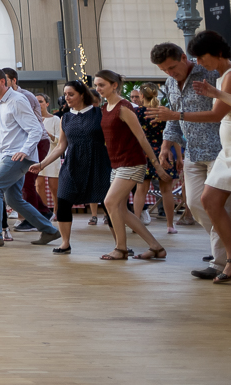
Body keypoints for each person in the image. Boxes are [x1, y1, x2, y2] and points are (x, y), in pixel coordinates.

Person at [146, 41, 230, 277]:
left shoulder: (212, 73)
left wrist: (176, 115)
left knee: (223, 207)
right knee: (194, 204)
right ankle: (229, 250)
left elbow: (222, 112)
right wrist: (165, 146)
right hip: (192, 150)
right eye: (164, 70)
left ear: (184, 57)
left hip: (222, 149)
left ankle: (222, 262)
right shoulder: (171, 82)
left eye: (172, 67)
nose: (170, 73)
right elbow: (171, 118)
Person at [0, 68, 59, 247]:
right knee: (13, 199)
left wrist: (24, 151)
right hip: (9, 155)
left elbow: (35, 129)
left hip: (18, 156)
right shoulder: (2, 102)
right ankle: (49, 230)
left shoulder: (17, 100)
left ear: (2, 82)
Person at [183, 30, 231, 287]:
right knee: (208, 200)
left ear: (217, 52)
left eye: (201, 56)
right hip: (229, 150)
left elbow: (218, 114)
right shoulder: (223, 76)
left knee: (210, 200)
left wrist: (177, 116)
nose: (198, 62)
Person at [87, 69, 165, 260]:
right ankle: (156, 247)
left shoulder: (124, 107)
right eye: (96, 85)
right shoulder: (105, 108)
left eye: (102, 85)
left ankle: (121, 248)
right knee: (120, 209)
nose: (98, 88)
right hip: (117, 163)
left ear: (115, 85)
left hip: (132, 161)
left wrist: (157, 165)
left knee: (109, 202)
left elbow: (141, 137)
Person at [29, 80, 108, 254]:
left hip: (98, 162)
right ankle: (65, 243)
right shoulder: (66, 118)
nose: (67, 98)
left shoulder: (98, 113)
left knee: (110, 205)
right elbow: (60, 146)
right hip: (72, 163)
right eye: (65, 94)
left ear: (82, 94)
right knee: (63, 200)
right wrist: (42, 164)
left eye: (71, 94)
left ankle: (120, 244)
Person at [131, 83, 177, 234]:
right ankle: (170, 225)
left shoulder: (136, 112)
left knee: (140, 190)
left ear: (142, 96)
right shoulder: (164, 112)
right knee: (166, 190)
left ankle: (137, 223)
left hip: (143, 152)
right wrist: (179, 156)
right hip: (163, 152)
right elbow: (173, 135)